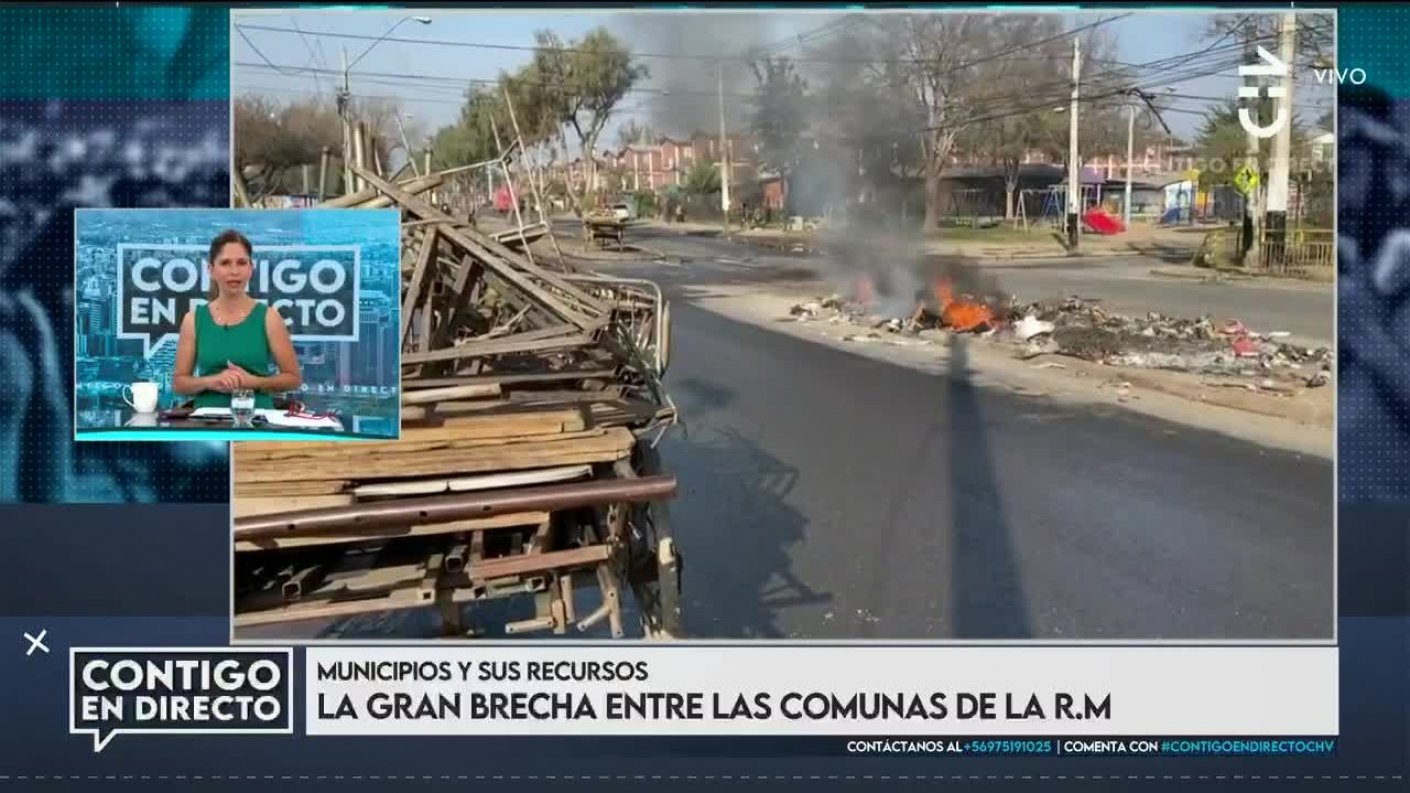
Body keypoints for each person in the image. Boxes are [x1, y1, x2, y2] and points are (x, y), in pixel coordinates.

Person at [173, 229, 301, 409]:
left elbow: (293, 379)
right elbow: (179, 384)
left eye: (241, 263)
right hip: (206, 420)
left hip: (257, 419)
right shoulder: (193, 320)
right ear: (211, 270)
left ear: (251, 268)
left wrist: (254, 382)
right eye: (225, 263)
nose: (234, 271)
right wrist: (212, 381)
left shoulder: (269, 317)